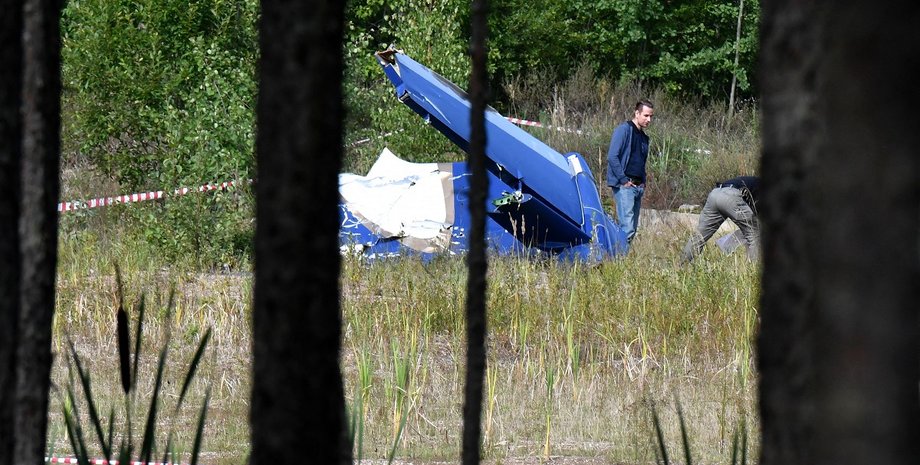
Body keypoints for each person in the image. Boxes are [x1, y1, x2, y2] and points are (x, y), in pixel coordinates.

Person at [607, 99, 654, 248]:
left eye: (651, 116)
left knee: (631, 230)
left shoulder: (644, 137)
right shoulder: (624, 130)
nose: (649, 119)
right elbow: (612, 156)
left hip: (638, 186)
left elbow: (641, 161)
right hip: (625, 186)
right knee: (626, 229)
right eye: (646, 115)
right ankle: (617, 262)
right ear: (637, 113)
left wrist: (643, 181)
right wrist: (623, 180)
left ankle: (619, 259)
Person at [681, 176, 761, 263]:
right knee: (755, 235)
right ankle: (753, 268)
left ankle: (682, 266)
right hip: (731, 196)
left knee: (699, 236)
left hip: (715, 194)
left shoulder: (755, 182)